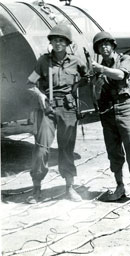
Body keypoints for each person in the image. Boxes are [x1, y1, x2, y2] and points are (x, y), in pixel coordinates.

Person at [27, 23, 87, 203]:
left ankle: (69, 187)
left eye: (61, 40)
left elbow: (87, 77)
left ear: (67, 42)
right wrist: (41, 96)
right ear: (51, 42)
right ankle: (36, 188)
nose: (58, 43)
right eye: (54, 40)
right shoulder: (43, 61)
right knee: (41, 149)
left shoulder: (76, 61)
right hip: (49, 110)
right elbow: (30, 84)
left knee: (67, 149)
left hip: (68, 110)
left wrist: (75, 87)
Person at [91, 31, 130, 206]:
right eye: (101, 46)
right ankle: (120, 187)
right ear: (98, 50)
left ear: (113, 46)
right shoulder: (97, 68)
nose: (104, 48)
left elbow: (121, 75)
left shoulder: (126, 60)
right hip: (107, 112)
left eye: (107, 44)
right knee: (113, 152)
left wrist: (101, 70)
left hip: (126, 108)